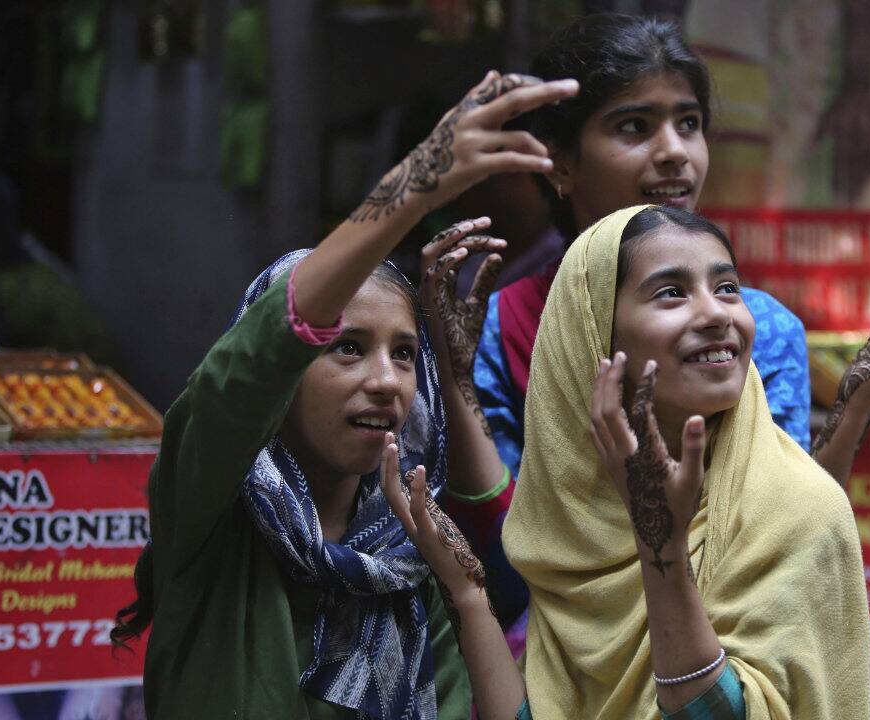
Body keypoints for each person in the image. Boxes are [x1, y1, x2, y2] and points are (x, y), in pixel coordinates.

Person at [108, 71, 578, 719]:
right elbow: (238, 380)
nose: (386, 381)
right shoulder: (213, 520)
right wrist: (410, 190)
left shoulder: (414, 563)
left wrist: (467, 597)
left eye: (405, 354)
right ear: (283, 372)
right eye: (347, 347)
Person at [459, 12, 870, 630]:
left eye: (689, 123)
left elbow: (780, 554)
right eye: (634, 126)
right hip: (555, 652)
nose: (675, 153)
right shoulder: (500, 326)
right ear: (561, 164)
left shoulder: (757, 329)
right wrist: (453, 379)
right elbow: (501, 560)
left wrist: (858, 401)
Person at [389, 204, 870, 719]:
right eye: (672, 292)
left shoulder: (799, 510)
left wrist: (659, 541)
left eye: (727, 287)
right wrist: (467, 593)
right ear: (594, 333)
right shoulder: (573, 517)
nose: (716, 314)